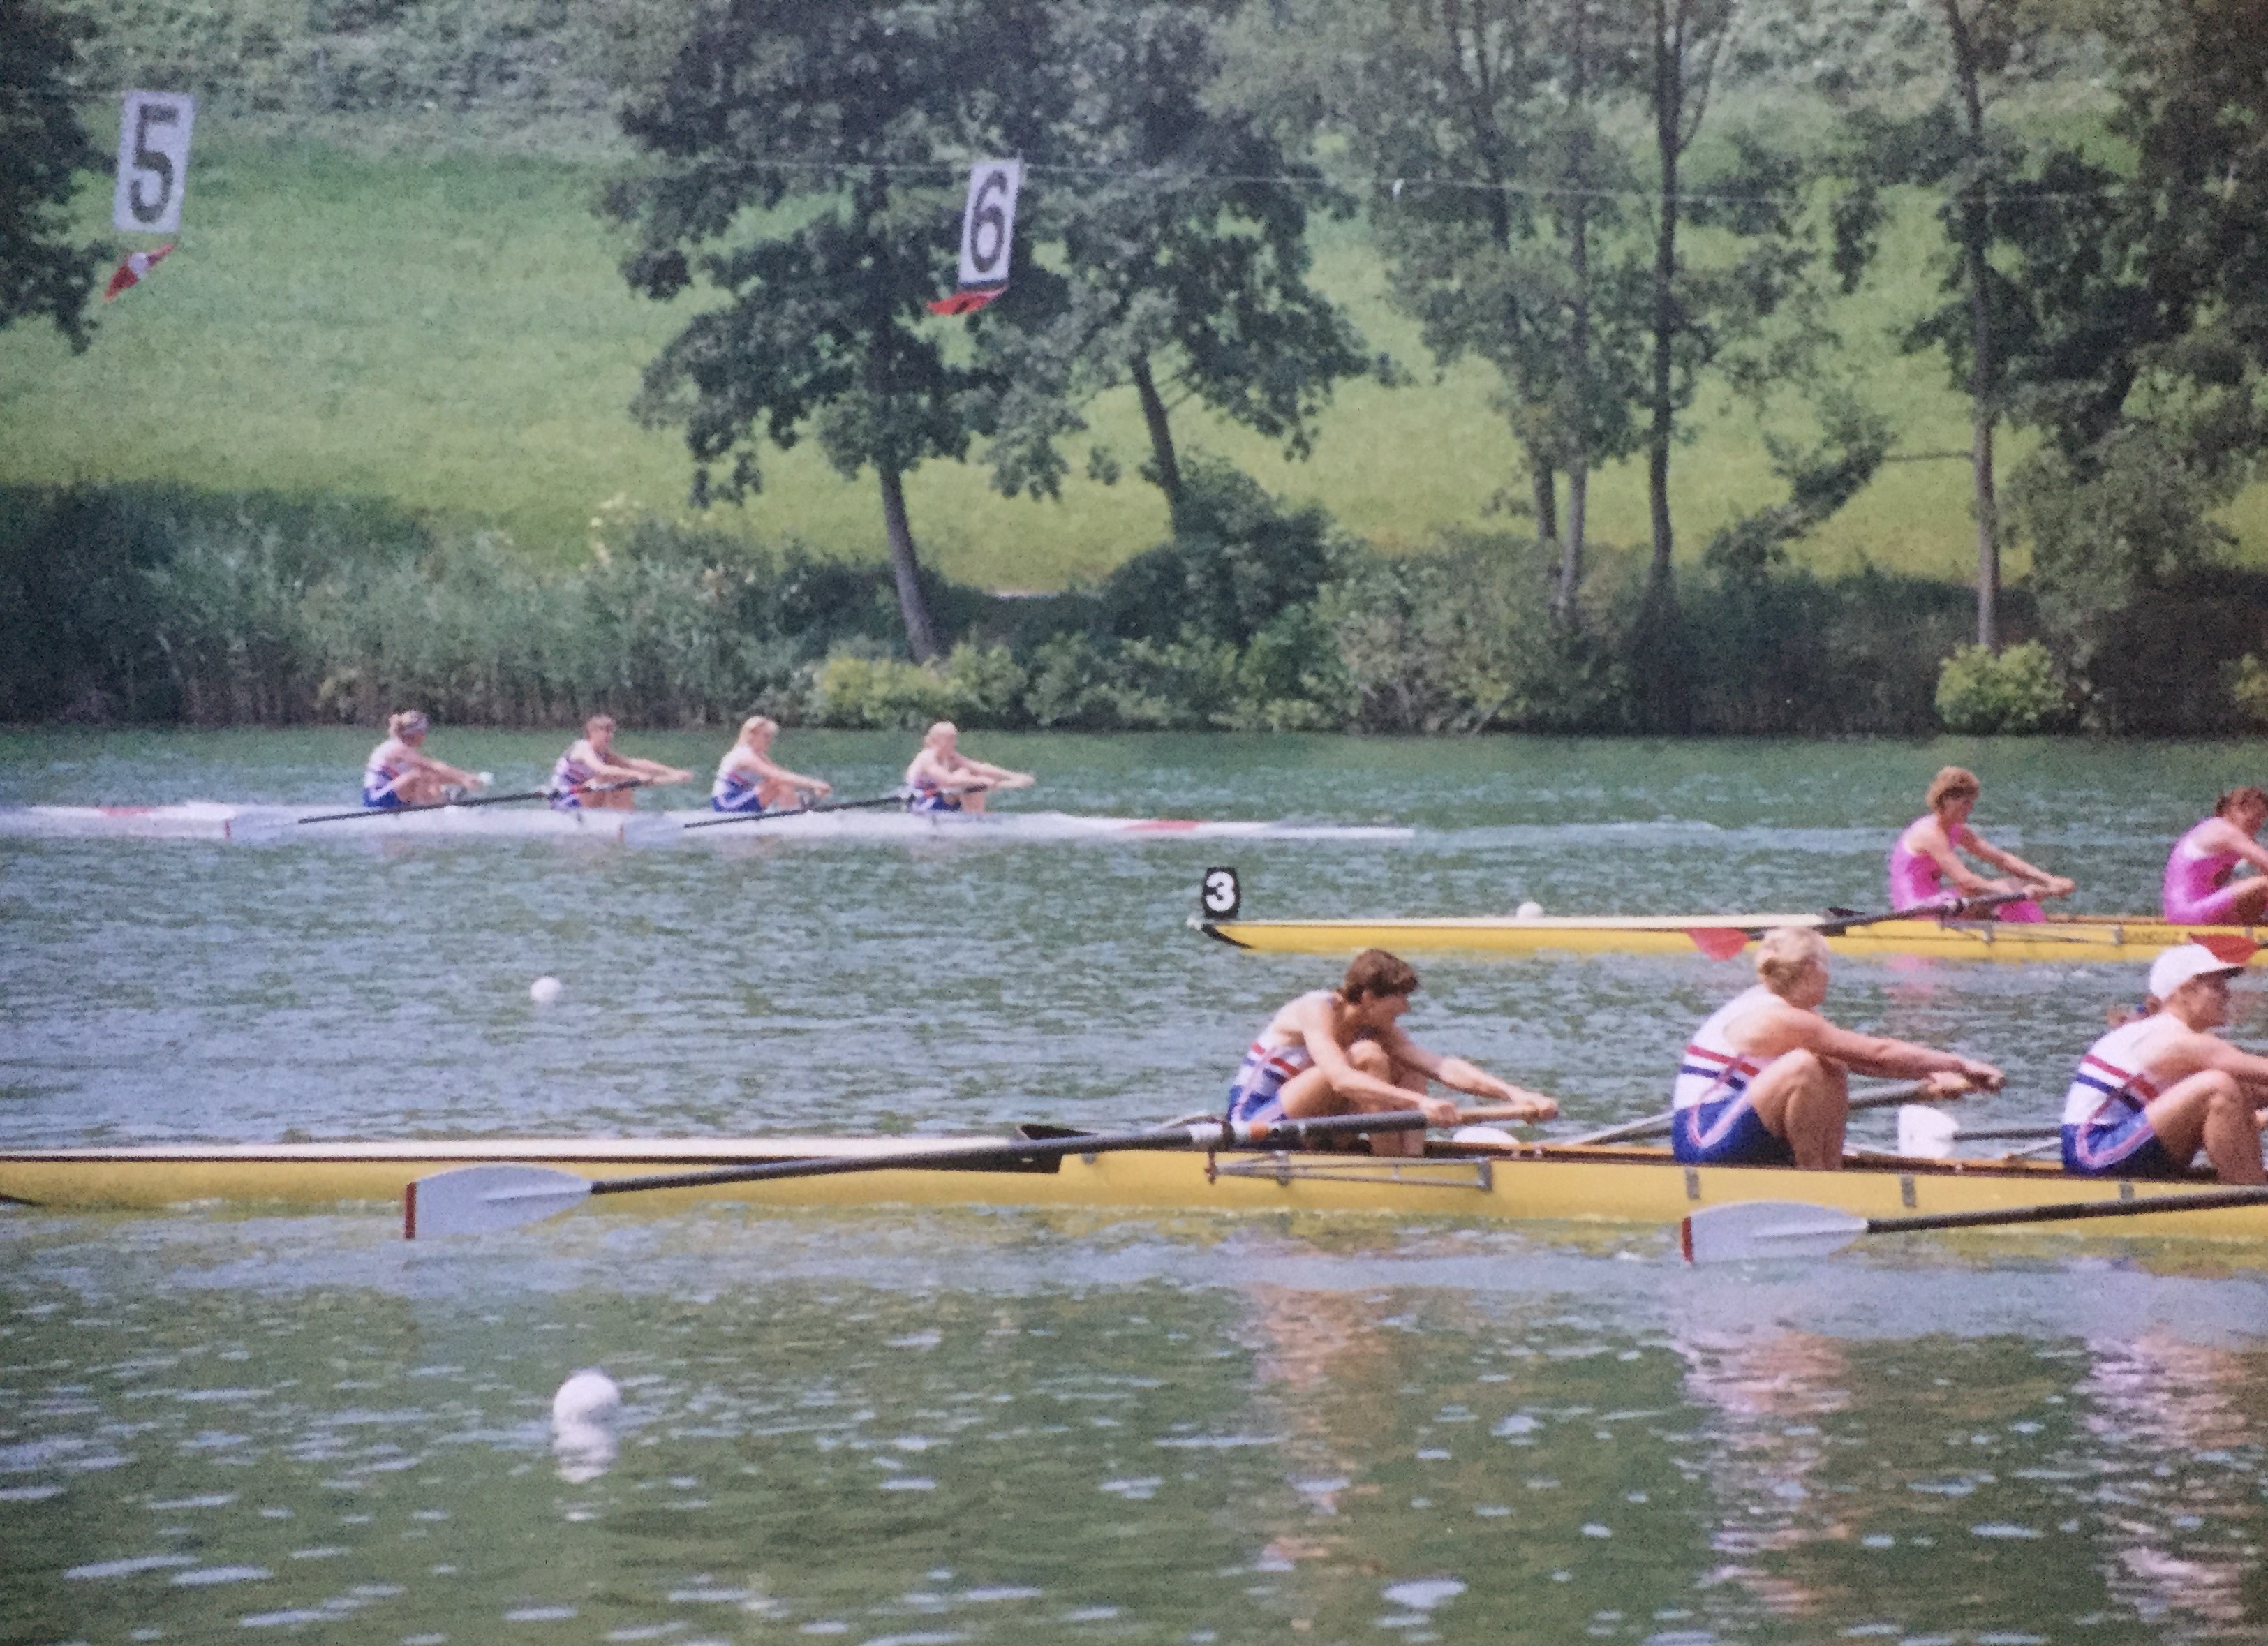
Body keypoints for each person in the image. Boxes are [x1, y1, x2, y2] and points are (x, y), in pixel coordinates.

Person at [1673, 926, 2003, 1171]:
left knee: (1831, 1062)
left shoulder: (1799, 1015)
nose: (1830, 976)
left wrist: (1938, 1074)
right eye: (1827, 965)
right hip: (1703, 1141)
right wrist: (1961, 1063)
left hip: (1736, 1130)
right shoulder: (1775, 1015)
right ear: (1810, 969)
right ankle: (1817, 1181)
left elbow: (1866, 1061)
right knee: (1805, 1066)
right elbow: (1878, 1052)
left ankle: (1829, 1176)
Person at [1223, 948, 1558, 1158]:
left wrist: (1518, 1096)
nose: (1407, 1008)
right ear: (1369, 997)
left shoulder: (1378, 1026)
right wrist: (1421, 1104)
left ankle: (1411, 1162)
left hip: (1306, 1127)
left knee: (1409, 1065)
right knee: (1368, 1056)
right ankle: (1391, 1167)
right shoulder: (1317, 1009)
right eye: (1399, 998)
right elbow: (1341, 1079)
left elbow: (1441, 1068)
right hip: (1255, 1126)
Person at [2059, 942, 2268, 1183]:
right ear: (2185, 992)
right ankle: (2251, 1196)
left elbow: (2257, 1088)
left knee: (2238, 1088)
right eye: (2217, 986)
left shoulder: (2176, 1034)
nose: (2227, 995)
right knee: (2217, 1087)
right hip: (2093, 1153)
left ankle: (2250, 1189)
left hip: (2125, 1144)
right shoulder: (2172, 1038)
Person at [1888, 765, 2073, 922]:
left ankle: (2028, 927)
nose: (1970, 809)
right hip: (1914, 911)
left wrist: (2049, 880)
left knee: (2010, 886)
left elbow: (2002, 859)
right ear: (1946, 799)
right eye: (1965, 803)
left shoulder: (1955, 829)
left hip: (1936, 905)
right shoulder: (1929, 834)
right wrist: (2013, 893)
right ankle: (2029, 932)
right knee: (2002, 890)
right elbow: (1966, 881)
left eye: (1972, 803)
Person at [2163, 787, 2268, 926]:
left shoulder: (2236, 837)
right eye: (2254, 816)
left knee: (2257, 890)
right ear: (2234, 810)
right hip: (2187, 913)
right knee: (2263, 884)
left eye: (2262, 817)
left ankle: (2251, 927)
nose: (2258, 823)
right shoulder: (2223, 830)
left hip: (2197, 911)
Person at [549, 715, 691, 812]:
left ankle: (625, 818)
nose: (611, 736)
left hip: (584, 796)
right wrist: (637, 775)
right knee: (608, 776)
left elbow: (634, 764)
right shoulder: (582, 747)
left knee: (622, 776)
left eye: (612, 732)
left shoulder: (605, 753)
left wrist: (672, 773)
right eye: (607, 732)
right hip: (563, 799)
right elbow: (602, 770)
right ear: (592, 732)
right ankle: (622, 819)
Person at [902, 721, 1033, 815]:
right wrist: (982, 782)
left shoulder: (950, 755)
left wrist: (1014, 776)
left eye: (955, 739)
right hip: (921, 805)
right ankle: (976, 818)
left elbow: (978, 768)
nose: (955, 743)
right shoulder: (927, 757)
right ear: (938, 740)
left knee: (967, 773)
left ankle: (977, 816)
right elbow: (948, 781)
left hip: (941, 799)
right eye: (951, 739)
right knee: (964, 777)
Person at [361, 711, 484, 809]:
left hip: (393, 795)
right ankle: (433, 810)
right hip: (375, 800)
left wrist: (461, 781)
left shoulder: (408, 750)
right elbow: (433, 766)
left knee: (429, 776)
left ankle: (441, 803)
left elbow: (435, 773)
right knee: (419, 774)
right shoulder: (397, 748)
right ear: (416, 733)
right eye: (423, 732)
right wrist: (464, 777)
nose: (425, 736)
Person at [711, 716, 832, 814]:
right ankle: (794, 815)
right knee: (777, 781)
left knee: (783, 781)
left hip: (740, 799)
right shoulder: (744, 755)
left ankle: (796, 809)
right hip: (726, 804)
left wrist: (810, 789)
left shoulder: (758, 755)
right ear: (752, 735)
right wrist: (813, 784)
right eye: (766, 736)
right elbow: (777, 776)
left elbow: (782, 773)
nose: (769, 740)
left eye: (770, 736)